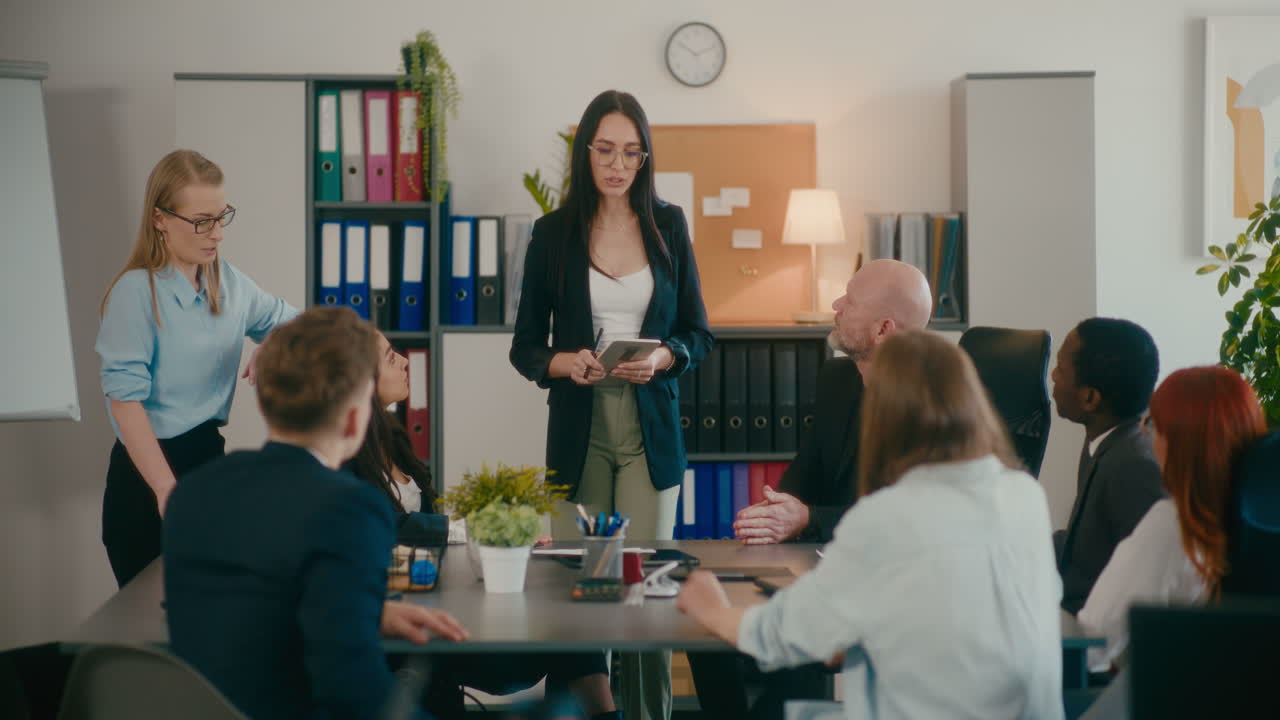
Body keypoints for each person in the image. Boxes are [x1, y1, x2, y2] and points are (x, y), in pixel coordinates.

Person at [677, 330, 1065, 720]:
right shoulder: (1024, 496)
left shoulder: (887, 516)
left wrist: (712, 610)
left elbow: (788, 634)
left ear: (882, 417)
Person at [510, 89, 712, 720]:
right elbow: (524, 348)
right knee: (587, 596)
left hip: (648, 430)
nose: (618, 163)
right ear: (586, 152)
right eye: (605, 149)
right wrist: (562, 363)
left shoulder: (669, 224)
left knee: (647, 598)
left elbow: (698, 334)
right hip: (581, 427)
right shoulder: (552, 232)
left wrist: (663, 357)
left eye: (631, 151)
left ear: (644, 157)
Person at [164, 307, 468, 719]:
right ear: (357, 417)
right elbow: (355, 694)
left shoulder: (192, 494)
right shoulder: (352, 509)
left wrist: (362, 611)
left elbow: (252, 612)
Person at [686, 259, 932, 718]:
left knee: (789, 638)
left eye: (850, 301)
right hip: (818, 559)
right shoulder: (838, 379)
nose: (835, 306)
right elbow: (808, 468)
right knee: (710, 628)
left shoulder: (928, 406)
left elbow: (899, 516)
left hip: (889, 578)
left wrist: (806, 518)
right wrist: (778, 508)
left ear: (883, 330)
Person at [351, 332, 619, 719]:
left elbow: (425, 533)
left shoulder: (392, 439)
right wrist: (472, 530)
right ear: (359, 378)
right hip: (409, 631)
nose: (406, 362)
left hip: (439, 606)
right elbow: (386, 526)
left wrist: (505, 541)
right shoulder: (347, 455)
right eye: (392, 358)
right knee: (572, 638)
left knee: (574, 631)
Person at [95, 149, 297, 587]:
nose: (217, 234)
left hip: (207, 464)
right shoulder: (135, 294)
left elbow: (301, 322)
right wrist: (166, 490)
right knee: (157, 633)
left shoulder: (228, 282)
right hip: (149, 478)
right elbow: (125, 404)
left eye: (221, 217)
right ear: (160, 219)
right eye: (202, 220)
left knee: (212, 625)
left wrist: (276, 339)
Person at [1078, 366, 1267, 670]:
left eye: (1153, 424)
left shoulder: (1175, 525)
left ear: (1180, 441)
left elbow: (1095, 643)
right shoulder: (1262, 522)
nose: (1147, 435)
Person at [1051, 317, 1165, 613]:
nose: (1053, 375)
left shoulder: (1135, 469)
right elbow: (1086, 546)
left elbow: (1140, 594)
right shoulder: (1106, 442)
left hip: (1091, 639)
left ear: (1090, 398)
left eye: (1061, 370)